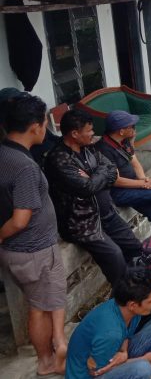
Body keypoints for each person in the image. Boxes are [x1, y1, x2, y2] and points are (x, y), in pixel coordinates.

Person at [0, 94, 67, 375]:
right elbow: (20, 220)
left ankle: (58, 342)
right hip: (33, 249)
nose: (46, 129)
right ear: (34, 127)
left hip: (27, 250)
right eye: (44, 123)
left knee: (48, 301)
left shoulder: (5, 152)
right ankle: (45, 360)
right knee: (39, 307)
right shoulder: (24, 166)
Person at [44, 110, 142, 286]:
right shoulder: (58, 158)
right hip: (83, 222)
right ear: (75, 134)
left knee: (134, 247)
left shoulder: (88, 148)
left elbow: (111, 168)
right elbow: (86, 188)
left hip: (106, 213)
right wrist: (98, 176)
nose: (92, 134)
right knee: (115, 255)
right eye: (89, 130)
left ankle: (139, 286)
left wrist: (93, 174)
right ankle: (126, 296)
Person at [66, 268, 151, 379]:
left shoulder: (129, 311)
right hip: (89, 374)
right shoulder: (110, 333)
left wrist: (124, 352)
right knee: (142, 368)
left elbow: (126, 334)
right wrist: (144, 359)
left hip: (110, 355)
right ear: (133, 305)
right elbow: (94, 371)